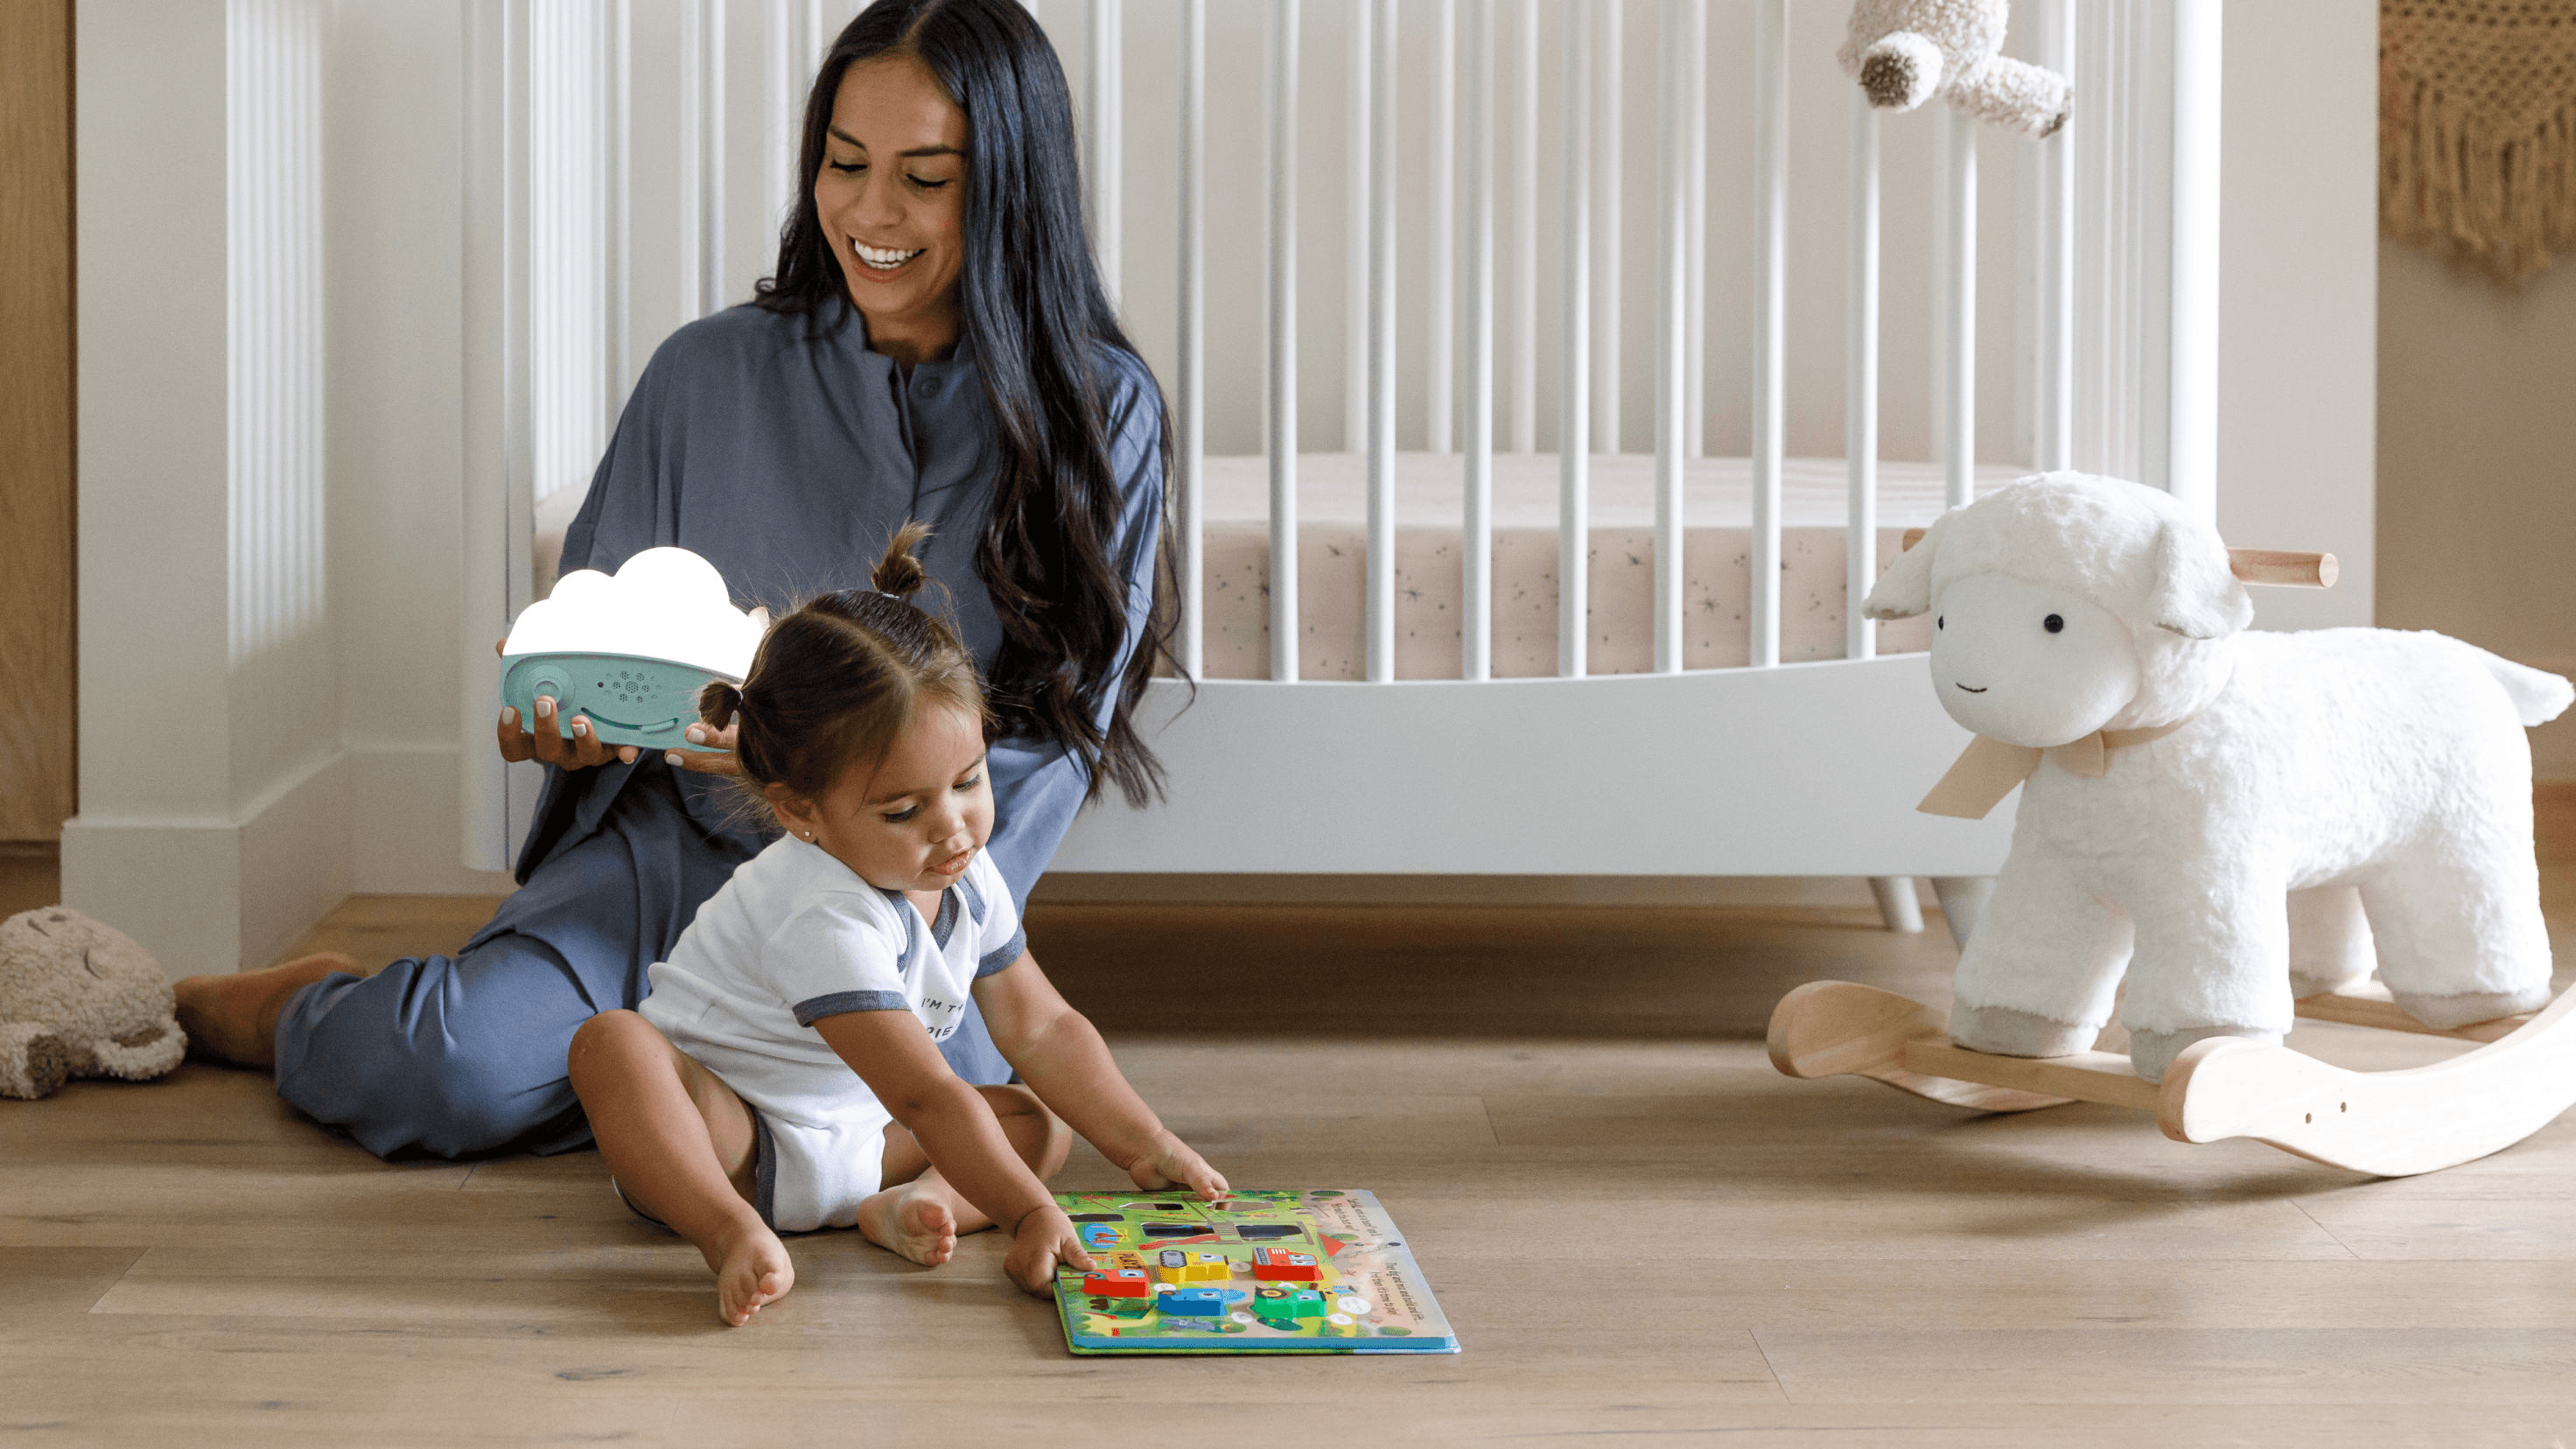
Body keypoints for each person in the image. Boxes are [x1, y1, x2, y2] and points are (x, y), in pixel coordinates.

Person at [174, 0, 1174, 1160]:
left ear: (1008, 188)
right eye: (844, 165)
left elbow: (1051, 746)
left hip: (891, 914)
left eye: (925, 178)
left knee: (931, 1122)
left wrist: (867, 851)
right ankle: (316, 1007)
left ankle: (661, 1086)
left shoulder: (1101, 419)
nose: (869, 212)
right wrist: (568, 728)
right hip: (667, 859)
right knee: (450, 1070)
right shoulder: (705, 375)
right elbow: (598, 649)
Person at [568, 524, 1224, 1326]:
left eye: (970, 780)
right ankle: (728, 1231)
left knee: (1036, 1123)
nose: (953, 828)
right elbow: (924, 1096)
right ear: (801, 813)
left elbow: (1043, 1027)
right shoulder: (822, 912)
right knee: (614, 1044)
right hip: (734, 1141)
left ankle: (905, 1206)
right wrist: (1025, 1215)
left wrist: (1143, 1142)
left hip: (865, 1142)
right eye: (905, 810)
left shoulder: (962, 872)